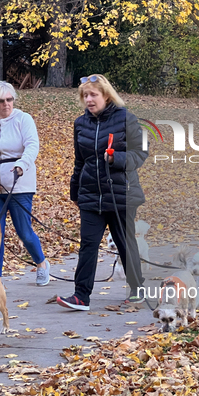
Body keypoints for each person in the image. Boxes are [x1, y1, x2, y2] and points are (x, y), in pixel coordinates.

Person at [57, 74, 148, 311]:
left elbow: (140, 154)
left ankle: (137, 289)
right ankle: (81, 296)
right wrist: (75, 190)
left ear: (106, 95)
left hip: (121, 194)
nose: (88, 99)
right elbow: (79, 161)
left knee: (124, 242)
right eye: (85, 95)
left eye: (93, 94)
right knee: (88, 244)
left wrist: (116, 157)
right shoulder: (80, 123)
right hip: (90, 195)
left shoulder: (126, 118)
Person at [0, 81, 50, 284]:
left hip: (20, 185)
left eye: (9, 99)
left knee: (24, 231)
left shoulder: (23, 119)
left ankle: (41, 263)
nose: (6, 104)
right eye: (0, 101)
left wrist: (22, 165)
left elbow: (32, 145)